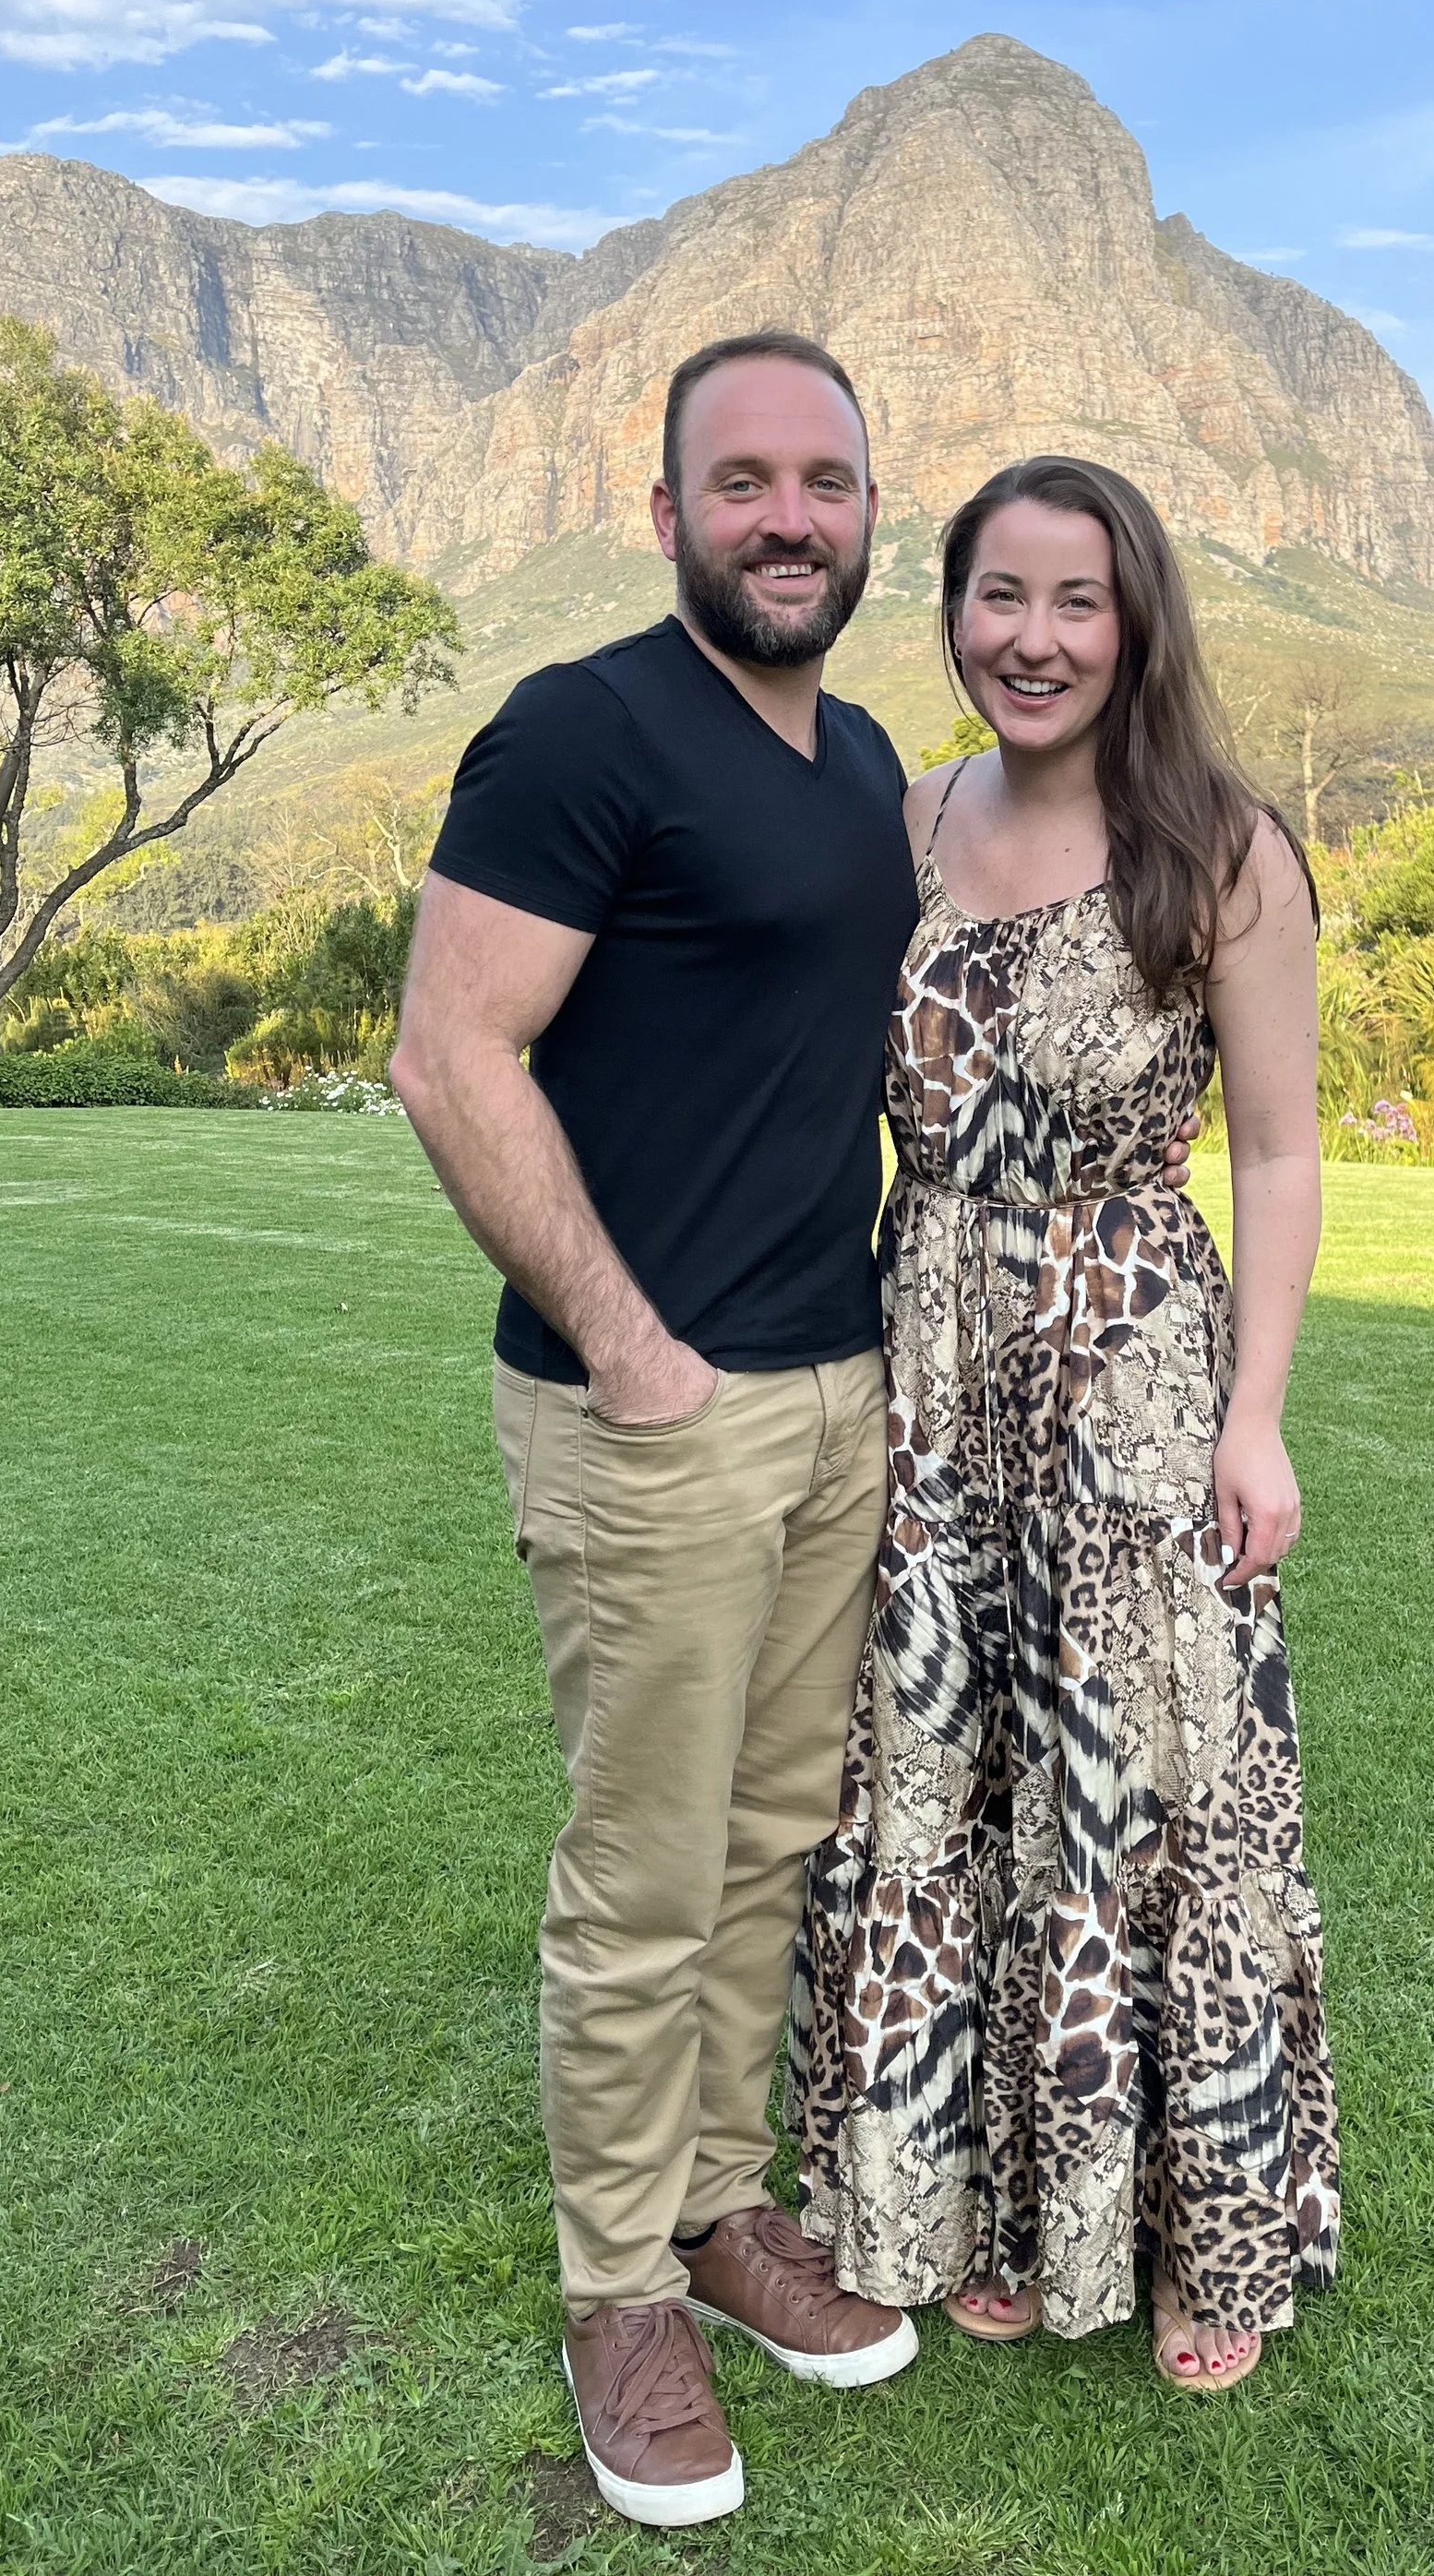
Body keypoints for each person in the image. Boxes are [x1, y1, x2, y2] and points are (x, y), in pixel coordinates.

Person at [388, 333, 926, 2530]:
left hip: (834, 1387)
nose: (787, 516)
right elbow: (450, 1054)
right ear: (668, 511)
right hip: (655, 1409)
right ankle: (615, 2280)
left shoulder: (866, 750)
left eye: (824, 479)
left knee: (768, 1840)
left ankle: (719, 2208)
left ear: (868, 506)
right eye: (743, 480)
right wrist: (624, 1343)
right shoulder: (583, 731)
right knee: (639, 1871)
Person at [789, 455, 1342, 2393]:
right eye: (996, 596)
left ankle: (1201, 2237)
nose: (1030, 638)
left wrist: (1253, 1417)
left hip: (1134, 1372)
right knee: (955, 1792)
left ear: (1134, 623)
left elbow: (1274, 1147)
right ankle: (997, 2211)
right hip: (929, 1367)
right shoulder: (901, 818)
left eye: (1073, 601)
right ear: (948, 612)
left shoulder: (1218, 844)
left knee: (1145, 1800)